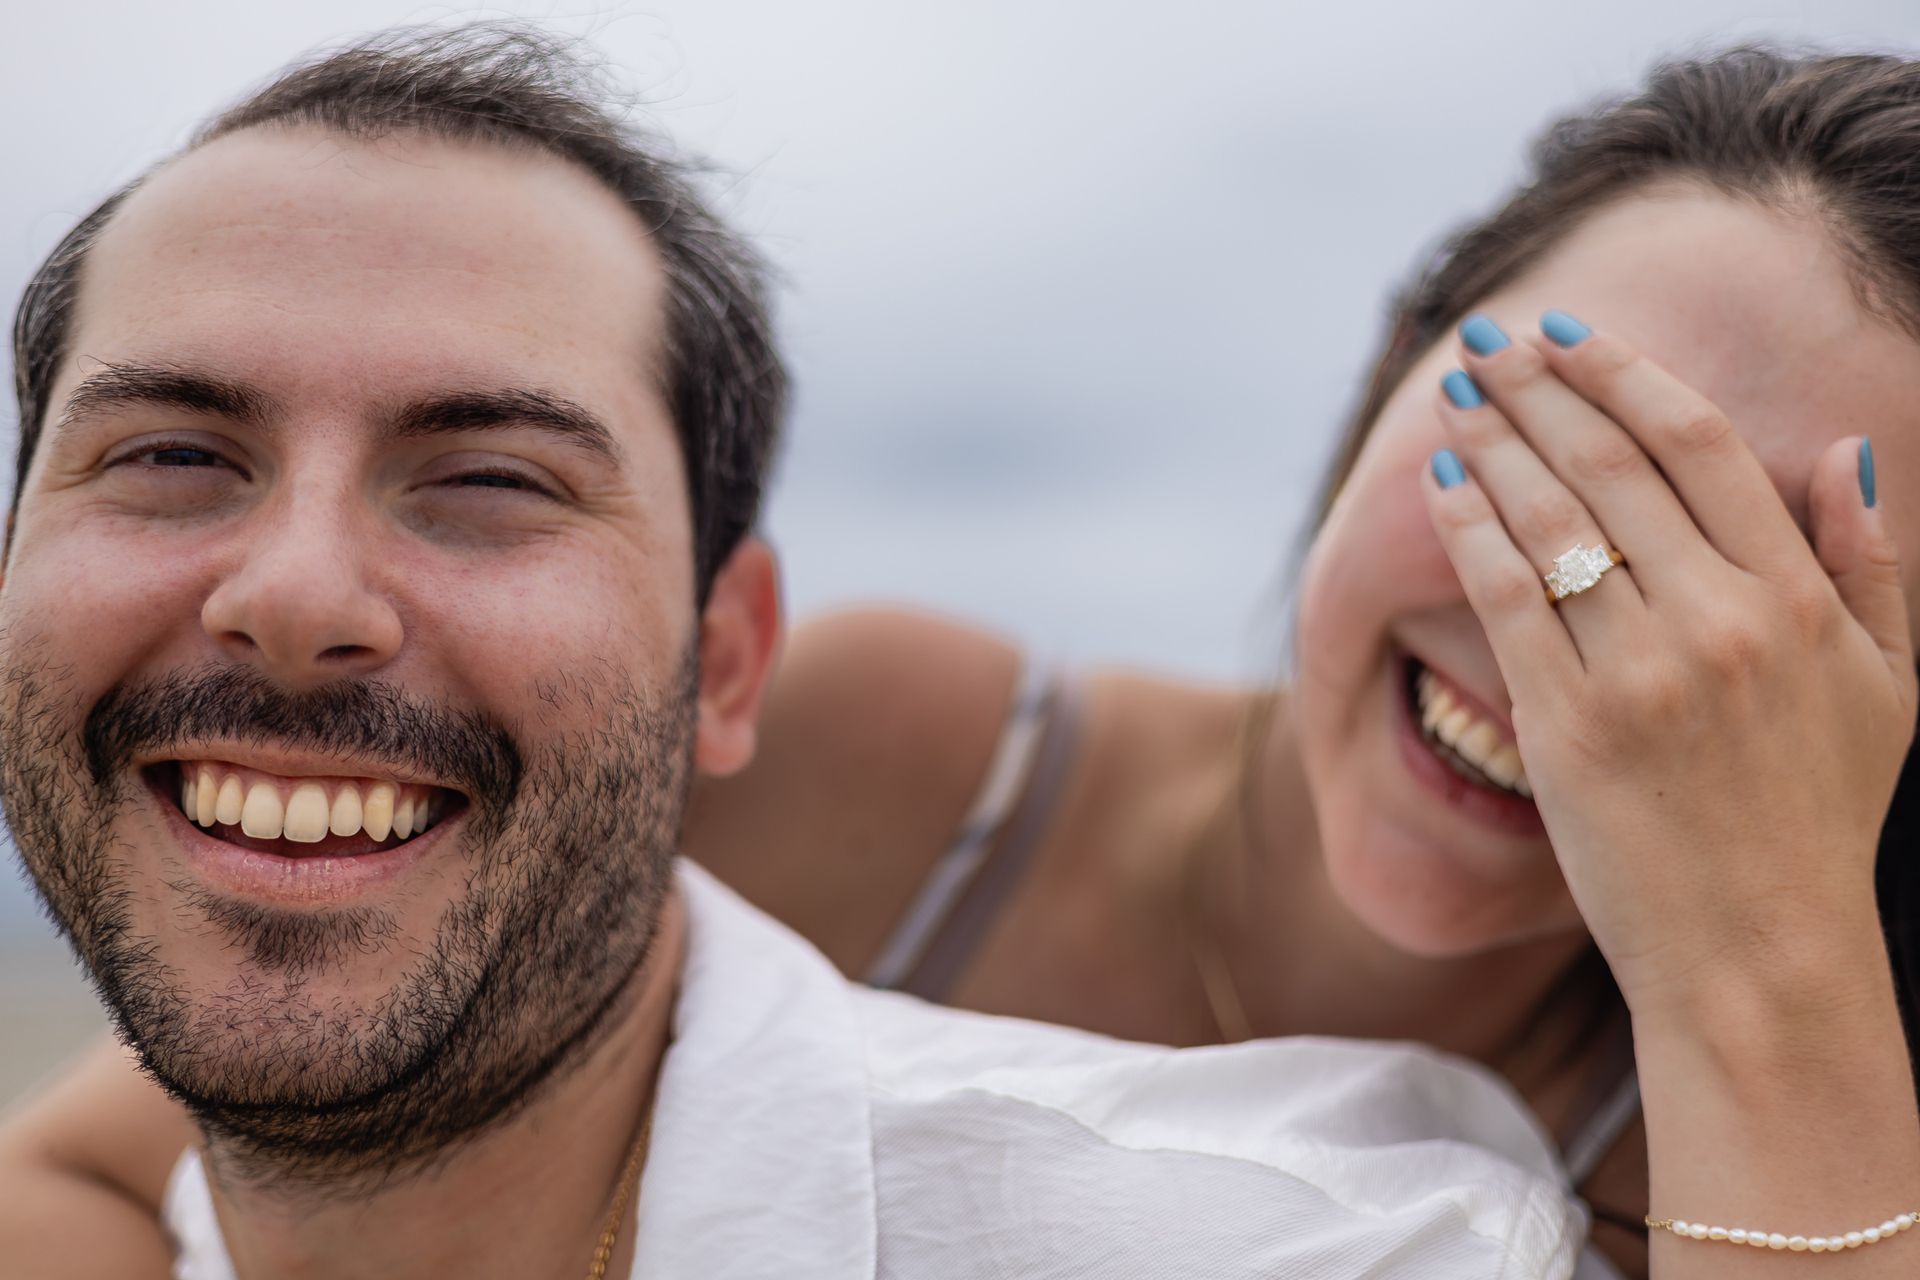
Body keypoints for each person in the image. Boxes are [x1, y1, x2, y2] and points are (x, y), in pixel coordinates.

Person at [4, 25, 1920, 1280]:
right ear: (1382, 380)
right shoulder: (912, 761)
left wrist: (1767, 967)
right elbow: (164, 1164)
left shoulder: (1776, 1129)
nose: (1577, 608)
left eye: (1752, 581)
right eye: (1535, 449)